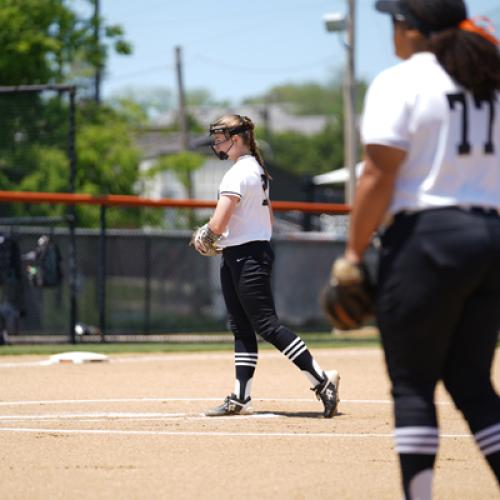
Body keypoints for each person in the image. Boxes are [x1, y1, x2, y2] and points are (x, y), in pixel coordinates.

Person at [342, 0, 500, 497]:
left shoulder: (403, 79)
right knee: (472, 382)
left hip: (428, 241)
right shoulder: (489, 80)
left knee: (412, 385)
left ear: (410, 29)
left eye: (394, 21)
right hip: (491, 241)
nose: (392, 32)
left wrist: (351, 255)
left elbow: (377, 174)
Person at [191, 114, 340, 418]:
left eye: (221, 136)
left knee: (267, 326)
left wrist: (203, 236)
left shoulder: (237, 173)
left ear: (237, 138)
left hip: (246, 256)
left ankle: (322, 381)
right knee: (242, 327)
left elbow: (219, 222)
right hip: (244, 252)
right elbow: (268, 219)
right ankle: (241, 397)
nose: (216, 142)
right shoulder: (256, 170)